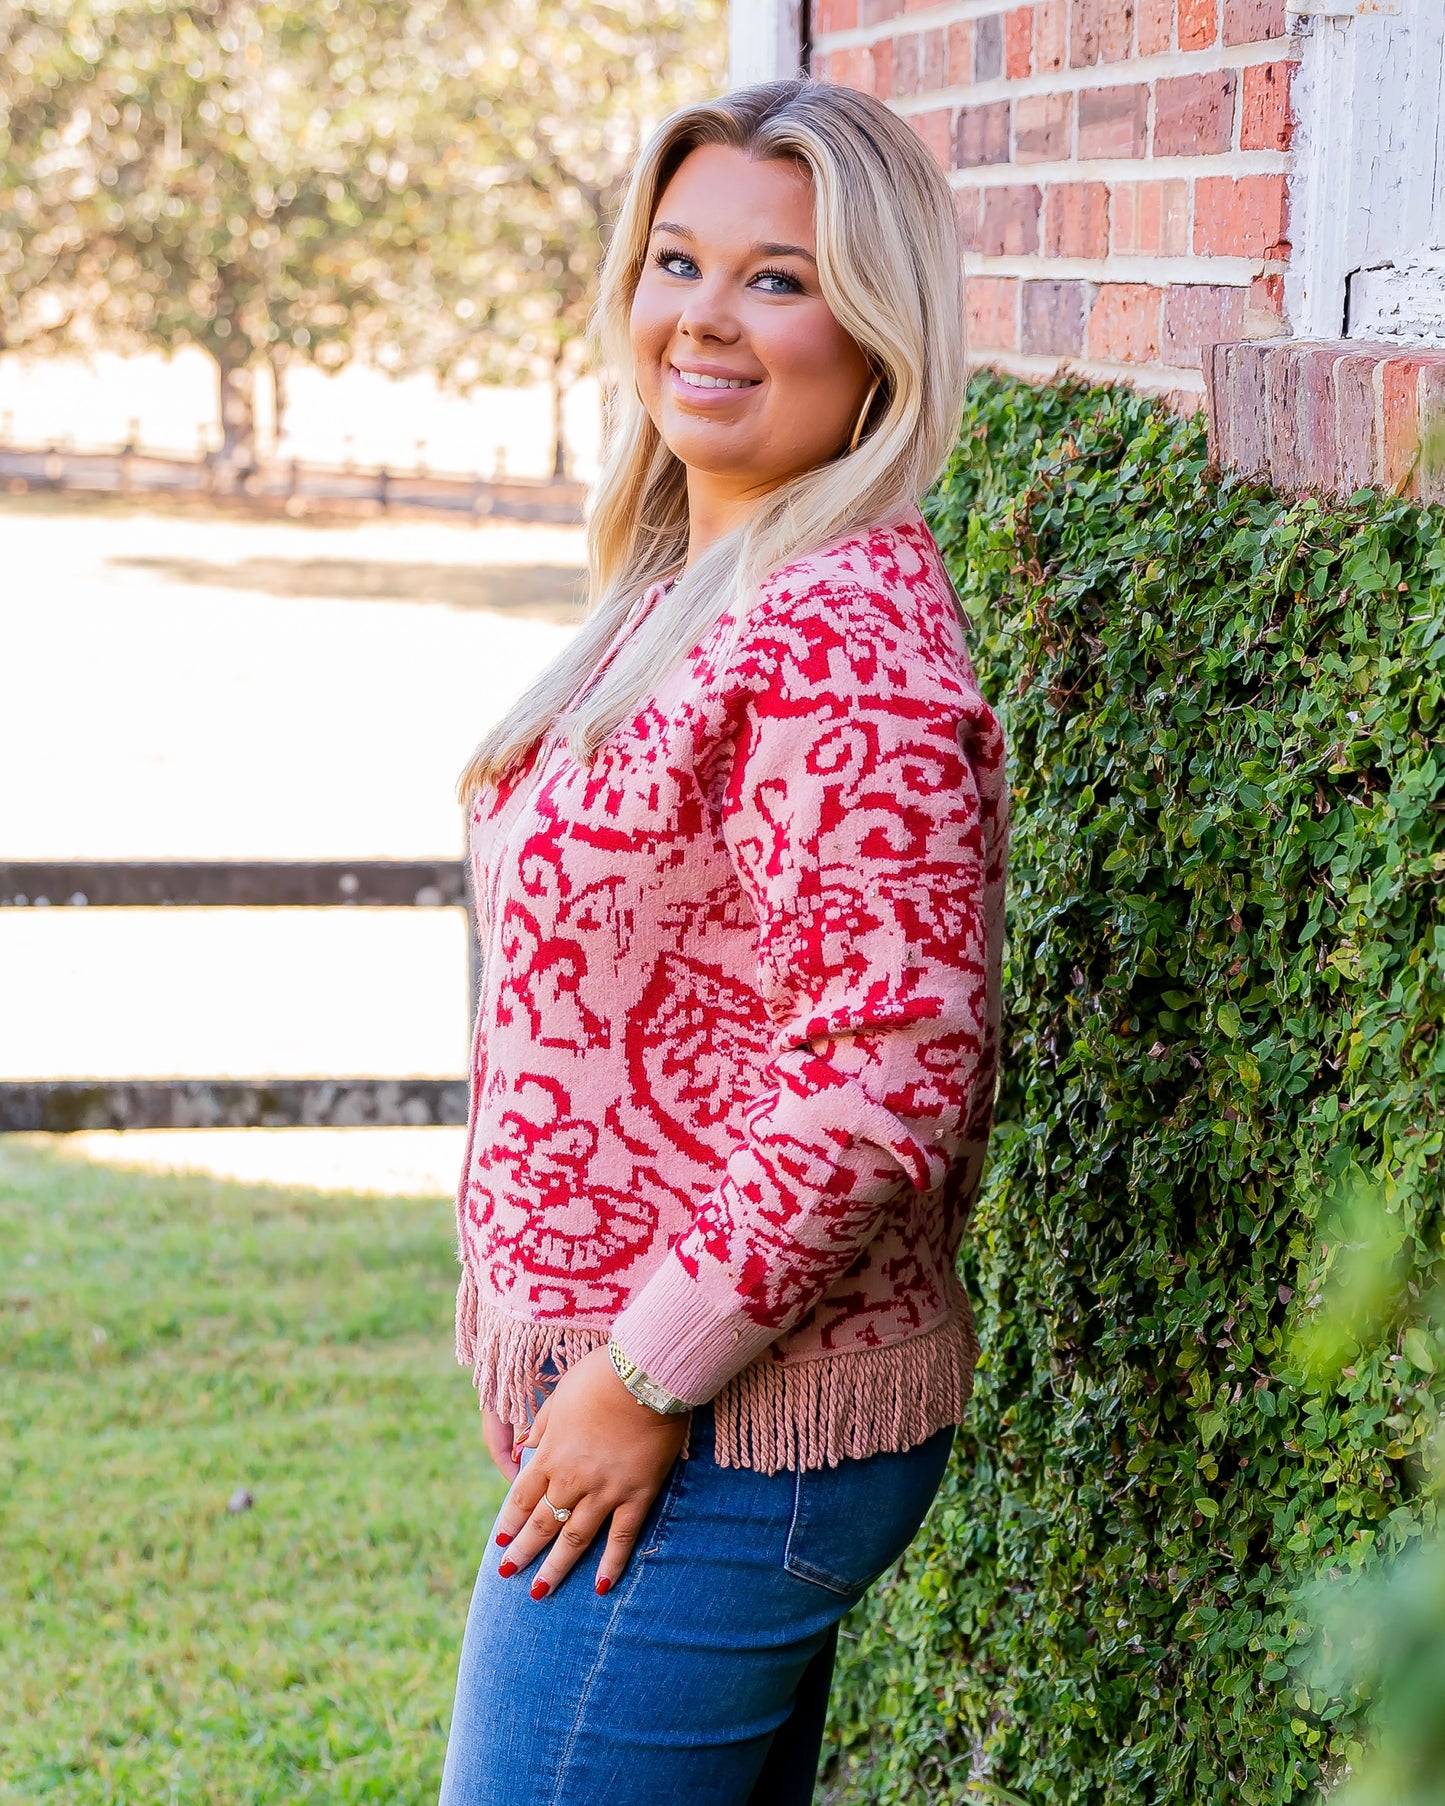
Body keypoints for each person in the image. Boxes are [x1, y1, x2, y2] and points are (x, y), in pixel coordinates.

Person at [438, 76, 1008, 1806]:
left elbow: (884, 1073)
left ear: (876, 325)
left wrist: (633, 1379)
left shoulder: (839, 627)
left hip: (720, 1430)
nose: (702, 314)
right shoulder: (704, 575)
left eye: (776, 276)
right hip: (667, 1413)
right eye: (676, 259)